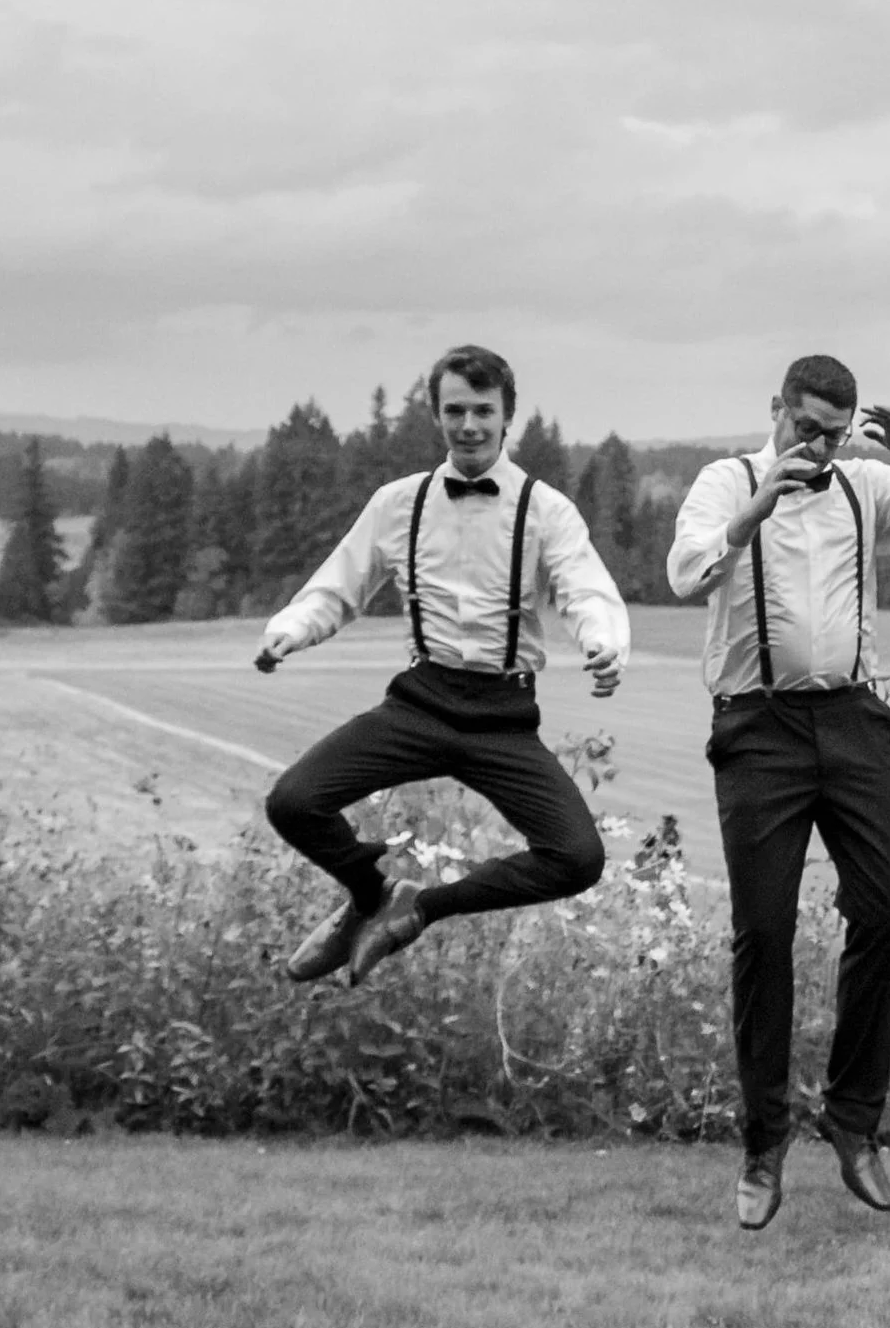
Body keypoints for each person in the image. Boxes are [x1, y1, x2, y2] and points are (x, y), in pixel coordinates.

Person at [669, 354, 890, 1230]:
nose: (815, 445)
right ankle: (763, 1142)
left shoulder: (863, 487)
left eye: (832, 434)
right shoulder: (724, 482)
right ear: (775, 408)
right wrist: (756, 509)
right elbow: (685, 572)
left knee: (886, 909)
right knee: (763, 932)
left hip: (851, 719)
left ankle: (852, 1120)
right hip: (757, 726)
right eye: (804, 426)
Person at [259, 344, 627, 988]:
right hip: (420, 703)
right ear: (436, 416)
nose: (469, 426)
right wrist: (288, 632)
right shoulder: (398, 503)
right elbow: (338, 587)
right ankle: (370, 896)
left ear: (507, 416)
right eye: (455, 411)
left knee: (577, 858)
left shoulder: (545, 510)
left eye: (483, 411)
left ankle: (419, 908)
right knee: (293, 803)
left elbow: (585, 589)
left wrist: (603, 643)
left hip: (502, 718)